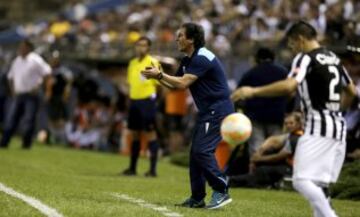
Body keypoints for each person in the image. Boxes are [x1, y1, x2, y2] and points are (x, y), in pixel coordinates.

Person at [232, 21, 357, 217]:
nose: (291, 49)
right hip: (337, 127)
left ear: (299, 40)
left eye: (291, 44)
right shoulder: (333, 58)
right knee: (320, 185)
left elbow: (290, 86)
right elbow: (351, 90)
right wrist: (336, 111)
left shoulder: (305, 58)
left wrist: (252, 91)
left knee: (300, 180)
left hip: (317, 126)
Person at [142, 23, 234, 209]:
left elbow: (183, 83)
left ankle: (221, 189)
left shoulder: (201, 57)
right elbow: (175, 86)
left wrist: (160, 74)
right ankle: (197, 197)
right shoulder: (187, 60)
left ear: (191, 39)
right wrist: (158, 77)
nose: (177, 39)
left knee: (202, 151)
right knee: (195, 154)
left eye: (180, 35)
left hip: (218, 110)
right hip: (208, 111)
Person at [229, 112, 304, 188]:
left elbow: (279, 156)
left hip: (294, 170)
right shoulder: (291, 135)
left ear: (299, 124)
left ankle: (231, 181)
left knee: (262, 171)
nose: (288, 126)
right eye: (286, 123)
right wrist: (259, 153)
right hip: (289, 167)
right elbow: (273, 140)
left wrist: (259, 159)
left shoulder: (297, 138)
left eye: (291, 123)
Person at [0, 40, 52, 149]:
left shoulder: (36, 60)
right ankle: (4, 142)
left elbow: (47, 73)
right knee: (12, 119)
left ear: (29, 48)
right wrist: (13, 90)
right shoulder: (17, 60)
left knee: (29, 120)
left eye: (23, 47)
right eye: (20, 47)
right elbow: (10, 77)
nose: (20, 49)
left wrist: (46, 90)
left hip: (31, 95)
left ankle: (26, 144)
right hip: (19, 94)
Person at [122, 36, 161, 177]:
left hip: (147, 101)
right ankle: (132, 168)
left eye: (144, 45)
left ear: (148, 48)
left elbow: (160, 84)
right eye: (138, 45)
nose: (140, 48)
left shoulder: (152, 62)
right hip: (134, 102)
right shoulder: (132, 63)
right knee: (134, 134)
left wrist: (155, 101)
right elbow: (130, 84)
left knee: (150, 133)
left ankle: (153, 170)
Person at [237, 47, 288, 155]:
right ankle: (274, 169)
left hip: (255, 117)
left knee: (256, 147)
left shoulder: (250, 73)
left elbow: (240, 94)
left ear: (257, 58)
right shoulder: (283, 72)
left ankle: (255, 169)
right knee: (275, 146)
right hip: (276, 117)